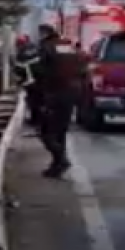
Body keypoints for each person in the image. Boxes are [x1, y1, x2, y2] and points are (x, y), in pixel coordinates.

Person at [31, 24, 82, 178]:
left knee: (45, 131)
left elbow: (39, 71)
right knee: (60, 130)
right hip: (73, 92)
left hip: (55, 92)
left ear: (44, 33)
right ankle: (57, 165)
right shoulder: (67, 46)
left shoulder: (46, 47)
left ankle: (61, 159)